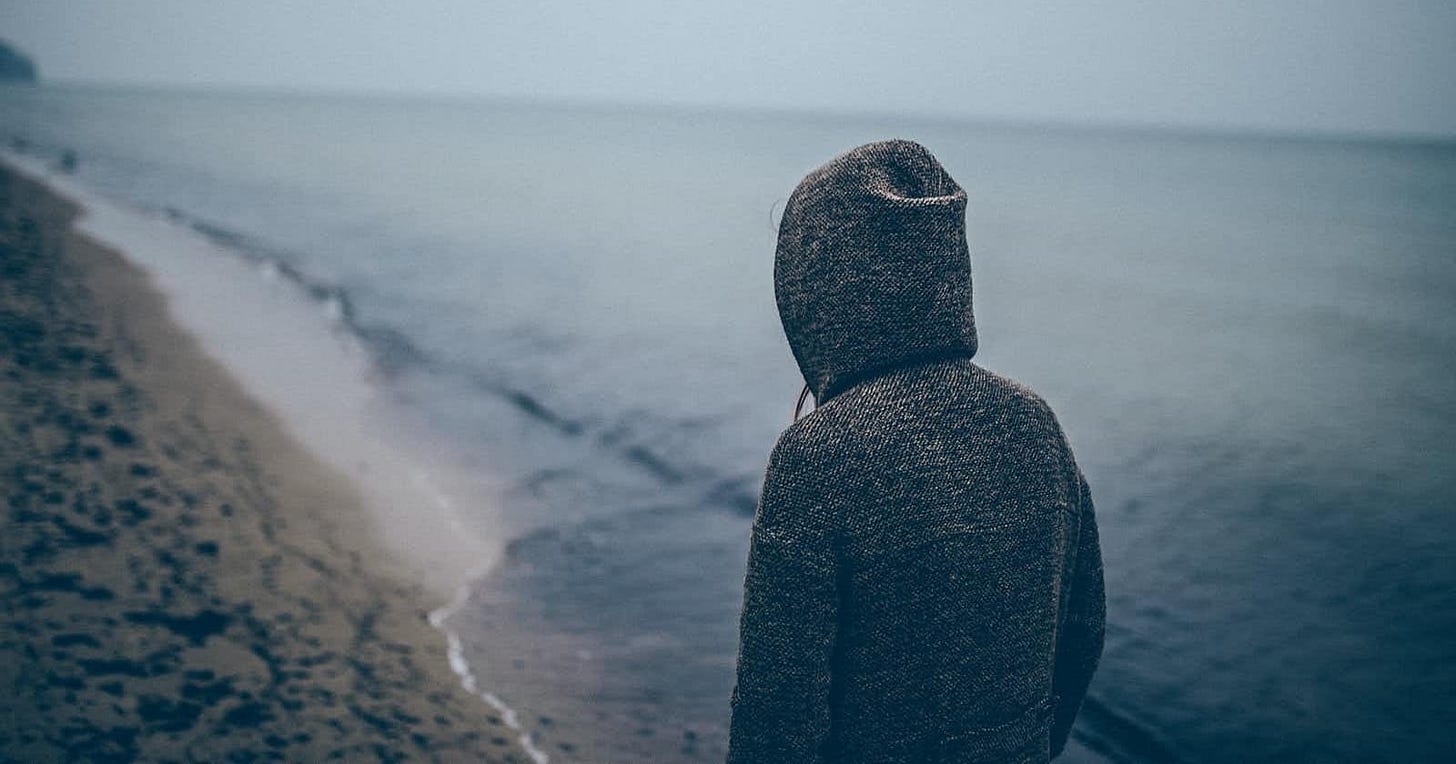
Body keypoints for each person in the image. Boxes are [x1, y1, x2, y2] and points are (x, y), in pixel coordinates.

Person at [727, 140, 1105, 763]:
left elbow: (778, 709)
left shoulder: (820, 457)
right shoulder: (1035, 424)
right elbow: (1083, 633)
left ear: (817, 292)